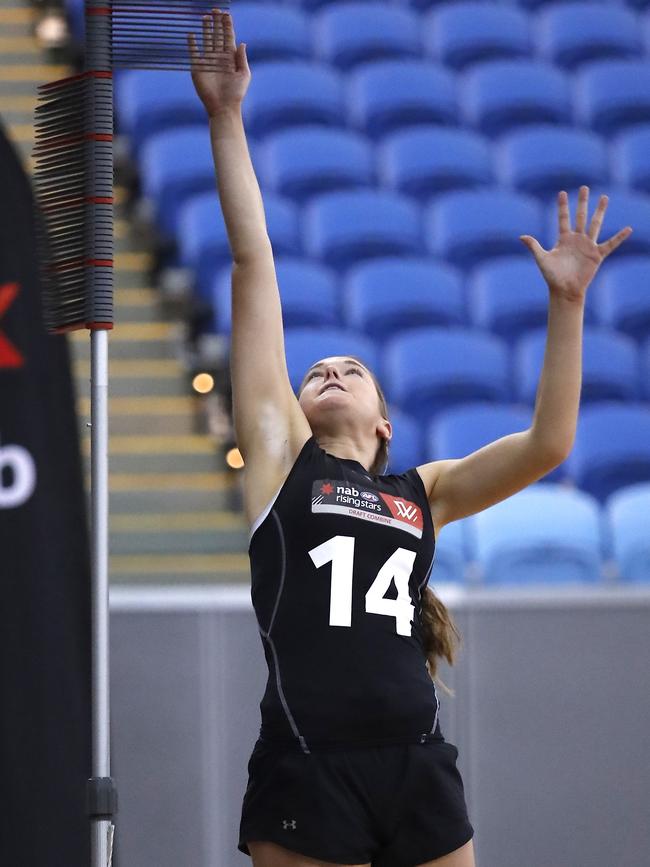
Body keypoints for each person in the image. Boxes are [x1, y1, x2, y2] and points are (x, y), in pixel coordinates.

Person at [187, 10, 633, 867]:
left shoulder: (420, 491)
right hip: (310, 767)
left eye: (352, 368)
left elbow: (548, 443)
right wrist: (225, 117)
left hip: (418, 761)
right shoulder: (283, 461)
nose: (329, 369)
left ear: (384, 421)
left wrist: (567, 308)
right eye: (317, 368)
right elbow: (255, 266)